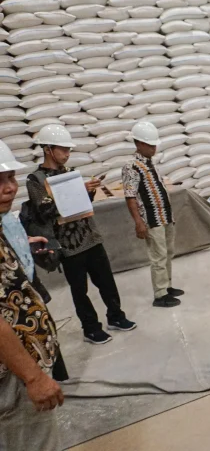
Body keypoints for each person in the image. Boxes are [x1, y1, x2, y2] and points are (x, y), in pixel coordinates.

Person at [27, 124, 136, 345]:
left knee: (106, 282)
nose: (67, 154)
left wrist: (89, 191)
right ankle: (90, 328)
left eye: (69, 150)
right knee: (80, 291)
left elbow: (83, 205)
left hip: (90, 237)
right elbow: (45, 210)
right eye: (63, 149)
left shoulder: (70, 173)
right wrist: (77, 190)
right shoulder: (35, 180)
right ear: (48, 149)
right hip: (68, 244)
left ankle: (116, 316)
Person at [0, 140, 63, 451]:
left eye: (10, 178)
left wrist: (23, 243)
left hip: (26, 362)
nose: (9, 188)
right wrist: (33, 377)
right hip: (14, 374)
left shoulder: (4, 222)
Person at [122, 122, 184, 308]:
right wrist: (138, 222)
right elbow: (130, 195)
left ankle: (168, 286)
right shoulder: (131, 166)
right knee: (158, 256)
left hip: (164, 215)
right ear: (138, 143)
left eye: (154, 144)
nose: (153, 148)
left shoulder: (149, 164)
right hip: (151, 219)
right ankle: (160, 294)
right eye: (149, 145)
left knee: (168, 252)